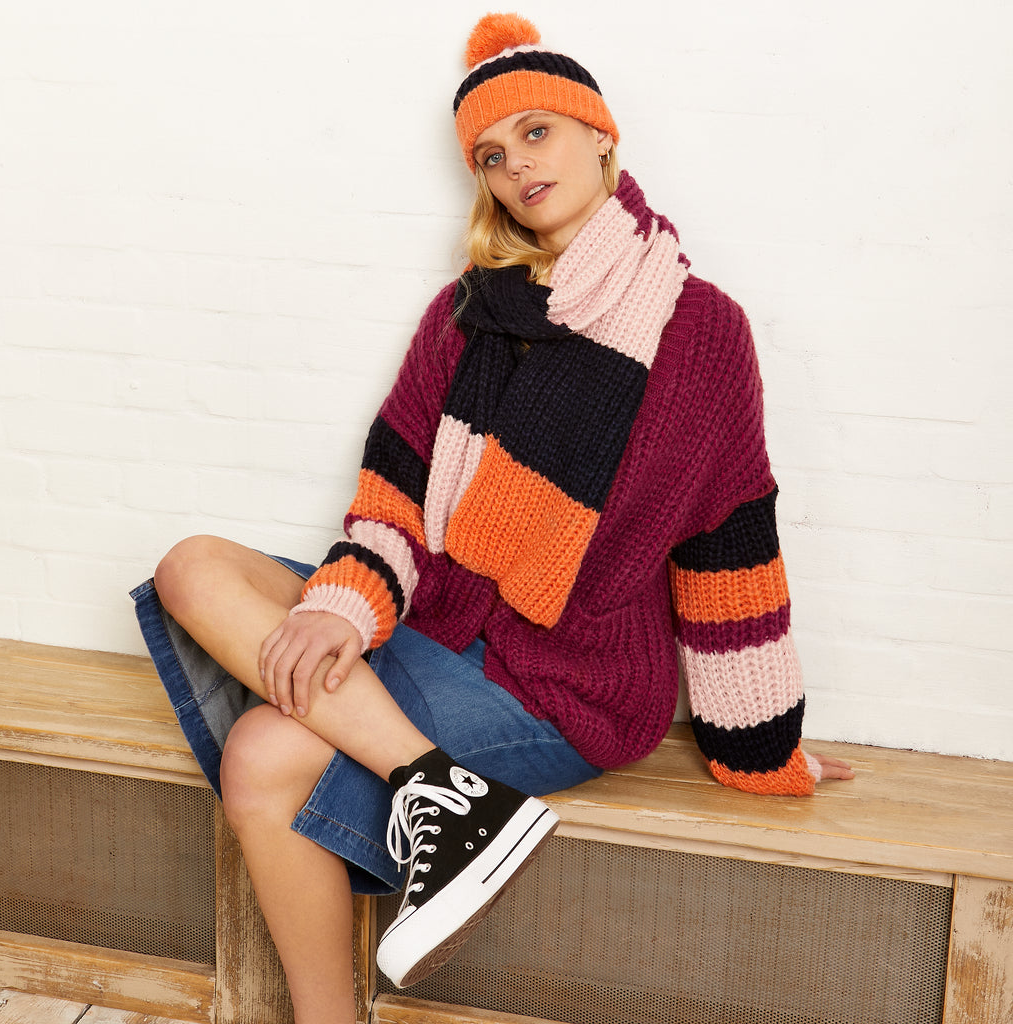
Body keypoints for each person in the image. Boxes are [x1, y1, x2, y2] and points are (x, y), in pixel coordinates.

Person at [132, 13, 854, 1024]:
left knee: (262, 749)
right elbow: (389, 495)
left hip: (566, 684)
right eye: (490, 153)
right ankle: (447, 796)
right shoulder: (464, 314)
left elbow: (729, 545)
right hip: (431, 628)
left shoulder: (702, 334)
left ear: (600, 135)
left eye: (536, 133)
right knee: (191, 562)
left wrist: (760, 743)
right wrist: (341, 610)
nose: (515, 165)